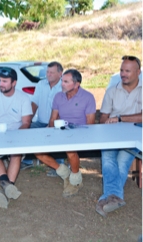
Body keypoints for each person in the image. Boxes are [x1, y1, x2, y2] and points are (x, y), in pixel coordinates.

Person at [35, 69, 96, 197]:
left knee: (70, 149)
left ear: (76, 84)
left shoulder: (88, 97)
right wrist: (49, 134)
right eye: (62, 81)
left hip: (80, 134)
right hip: (61, 132)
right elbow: (53, 119)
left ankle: (75, 180)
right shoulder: (58, 96)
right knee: (37, 151)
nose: (62, 84)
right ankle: (63, 172)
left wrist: (75, 134)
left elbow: (90, 125)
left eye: (66, 82)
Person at [96, 55, 142, 217]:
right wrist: (106, 124)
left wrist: (121, 118)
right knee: (108, 160)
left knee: (122, 162)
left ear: (138, 72)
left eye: (127, 71)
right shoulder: (112, 90)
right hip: (112, 134)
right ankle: (115, 197)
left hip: (134, 135)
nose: (123, 74)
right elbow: (103, 117)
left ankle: (107, 197)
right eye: (121, 70)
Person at [0, 68, 32, 208]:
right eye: (0, 81)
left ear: (14, 83)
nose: (1, 84)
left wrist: (14, 137)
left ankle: (5, 189)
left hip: (17, 134)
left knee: (15, 153)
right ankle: (8, 186)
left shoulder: (23, 98)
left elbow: (26, 123)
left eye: (5, 81)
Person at [21, 61, 65, 175]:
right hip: (40, 121)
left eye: (52, 72)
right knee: (26, 130)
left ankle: (58, 165)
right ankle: (28, 160)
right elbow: (34, 104)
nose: (48, 74)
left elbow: (63, 110)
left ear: (60, 74)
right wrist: (28, 120)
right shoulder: (41, 84)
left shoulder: (64, 87)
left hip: (57, 123)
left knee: (57, 135)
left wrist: (51, 125)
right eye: (47, 72)